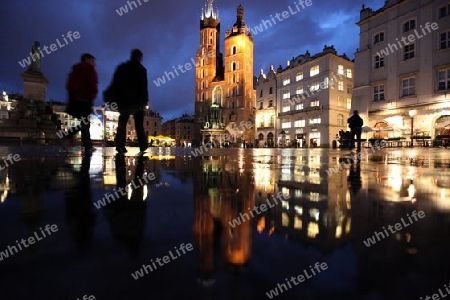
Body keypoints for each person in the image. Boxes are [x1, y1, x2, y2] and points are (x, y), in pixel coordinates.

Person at [111, 49, 149, 154]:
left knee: (122, 123)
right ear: (139, 57)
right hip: (137, 101)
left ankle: (120, 145)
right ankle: (143, 145)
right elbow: (143, 87)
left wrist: (115, 99)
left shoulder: (122, 68)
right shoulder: (141, 69)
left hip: (124, 101)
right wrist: (145, 101)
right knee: (139, 124)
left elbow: (115, 85)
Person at [63, 53, 98, 153]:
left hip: (76, 100)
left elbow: (69, 85)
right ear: (86, 59)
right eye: (92, 60)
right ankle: (68, 137)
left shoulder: (75, 70)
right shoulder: (90, 69)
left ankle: (88, 146)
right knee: (85, 123)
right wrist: (92, 96)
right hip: (86, 100)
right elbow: (93, 85)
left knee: (84, 123)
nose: (94, 63)